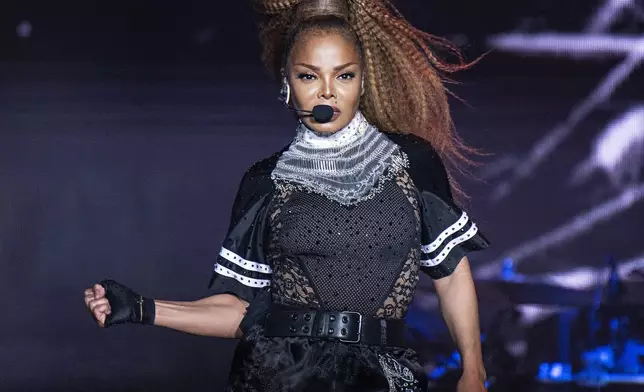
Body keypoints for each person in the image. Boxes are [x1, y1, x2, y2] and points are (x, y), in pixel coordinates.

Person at [83, 0, 490, 390]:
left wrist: (474, 370)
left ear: (362, 80)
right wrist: (142, 308)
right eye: (309, 76)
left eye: (343, 75)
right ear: (287, 83)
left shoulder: (412, 162)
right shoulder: (265, 181)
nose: (327, 92)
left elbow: (452, 274)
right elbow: (243, 311)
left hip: (385, 375)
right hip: (281, 376)